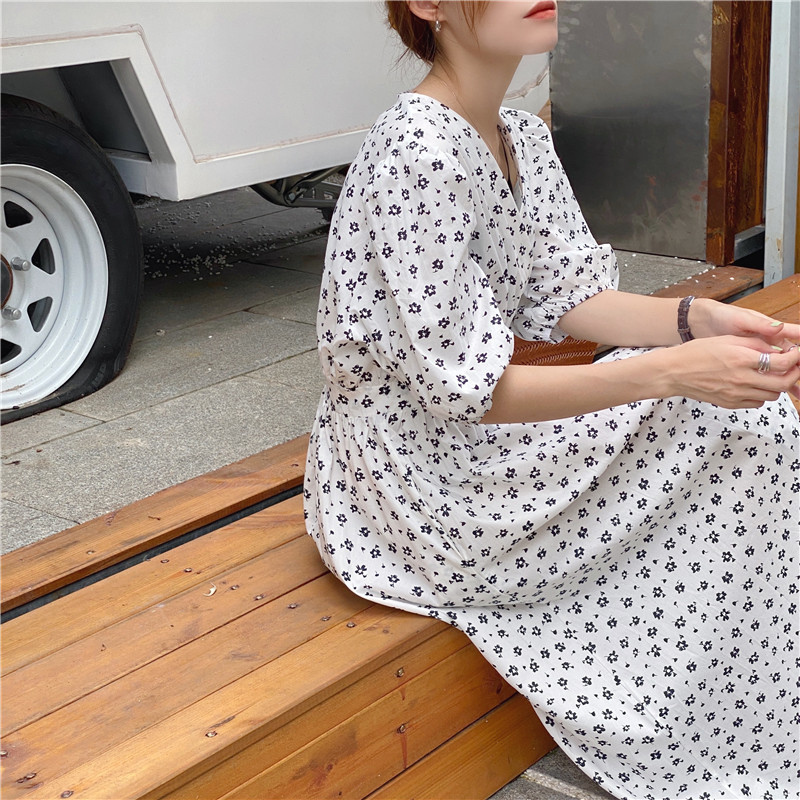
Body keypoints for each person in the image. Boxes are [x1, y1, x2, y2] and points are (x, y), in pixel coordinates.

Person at [303, 2, 800, 797]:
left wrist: (696, 321)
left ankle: (738, 708)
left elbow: (569, 295)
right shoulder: (416, 153)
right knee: (728, 417)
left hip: (462, 438)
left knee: (745, 412)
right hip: (413, 486)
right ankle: (708, 729)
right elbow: (465, 391)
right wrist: (674, 371)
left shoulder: (518, 135)